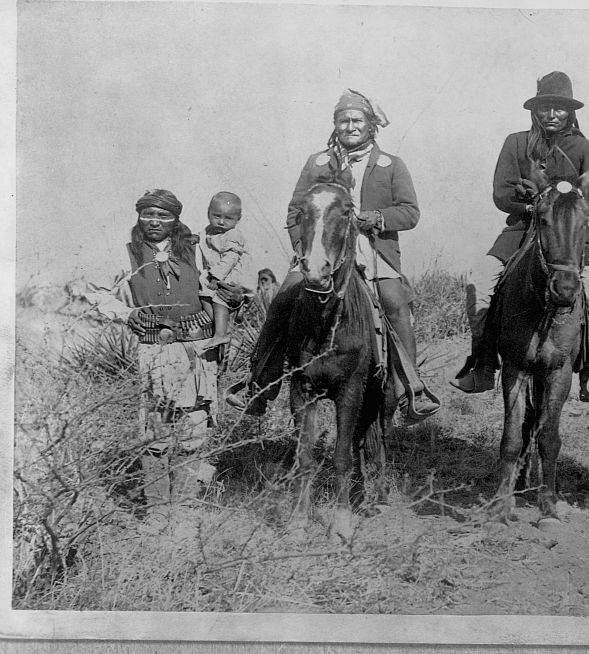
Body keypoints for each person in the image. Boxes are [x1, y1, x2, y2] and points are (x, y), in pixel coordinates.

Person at [227, 89, 440, 420]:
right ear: (335, 125)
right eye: (343, 120)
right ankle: (260, 387)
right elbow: (296, 211)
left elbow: (410, 212)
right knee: (283, 300)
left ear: (371, 125)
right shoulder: (318, 162)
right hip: (320, 251)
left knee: (394, 303)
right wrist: (304, 250)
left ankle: (410, 390)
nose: (350, 126)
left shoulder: (390, 165)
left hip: (372, 250)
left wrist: (379, 218)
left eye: (357, 120)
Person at [451, 71, 589, 401]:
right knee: (480, 282)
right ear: (534, 110)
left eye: (560, 108)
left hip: (567, 239)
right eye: (545, 108)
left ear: (571, 112)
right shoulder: (515, 142)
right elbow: (501, 191)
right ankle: (482, 363)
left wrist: (568, 205)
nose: (552, 115)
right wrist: (531, 204)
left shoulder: (585, 148)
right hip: (520, 231)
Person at [89, 189, 243, 516]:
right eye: (148, 214)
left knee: (194, 430)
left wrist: (231, 305)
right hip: (154, 350)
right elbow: (95, 293)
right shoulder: (125, 254)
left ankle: (184, 513)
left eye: (163, 215)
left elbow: (217, 291)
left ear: (175, 220)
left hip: (197, 351)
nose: (155, 221)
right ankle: (158, 514)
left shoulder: (195, 250)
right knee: (156, 433)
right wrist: (127, 314)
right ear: (139, 216)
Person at [197, 191, 247, 351]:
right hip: (216, 274)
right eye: (216, 216)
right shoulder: (210, 232)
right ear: (208, 214)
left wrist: (216, 278)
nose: (221, 222)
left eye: (228, 218)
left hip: (228, 274)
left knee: (219, 299)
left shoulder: (233, 234)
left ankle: (220, 333)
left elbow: (230, 258)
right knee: (203, 296)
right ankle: (221, 329)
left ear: (238, 219)